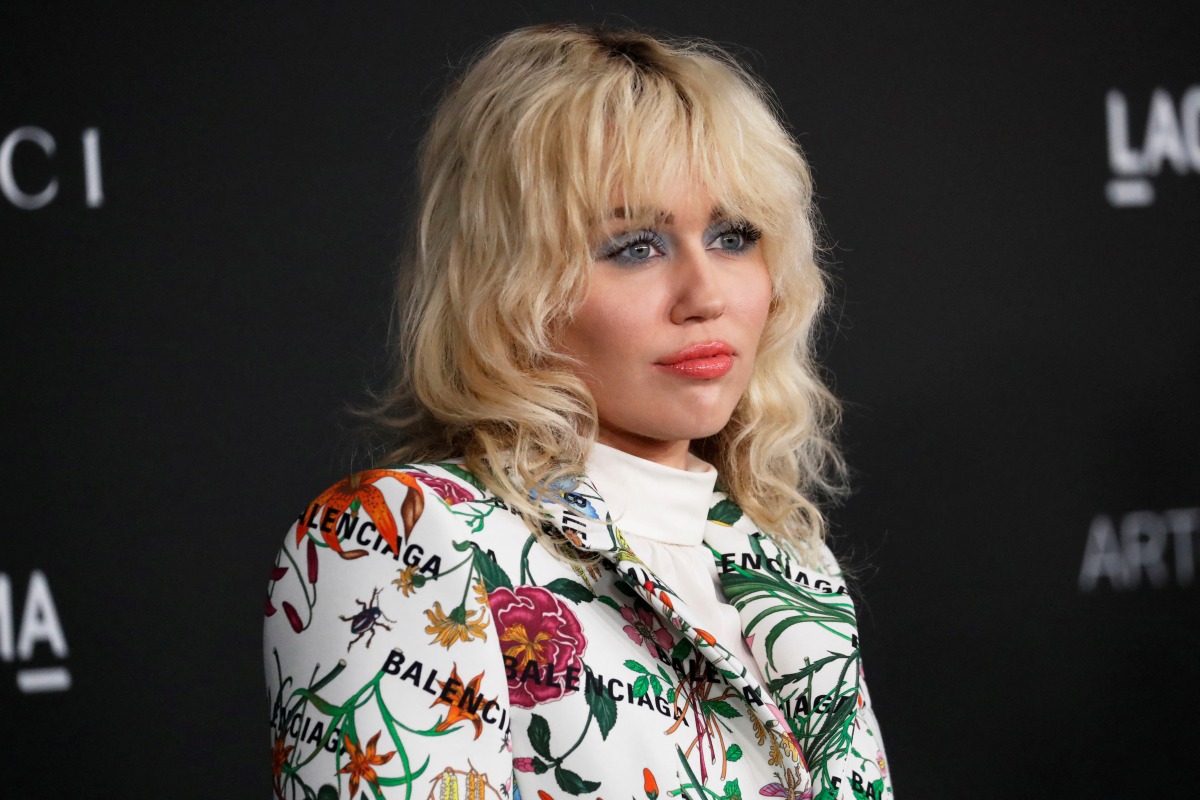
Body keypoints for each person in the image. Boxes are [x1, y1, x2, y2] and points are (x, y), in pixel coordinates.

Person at [264, 23, 891, 800]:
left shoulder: (793, 563)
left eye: (734, 236)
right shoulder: (401, 539)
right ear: (509, 288)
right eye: (635, 246)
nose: (708, 295)